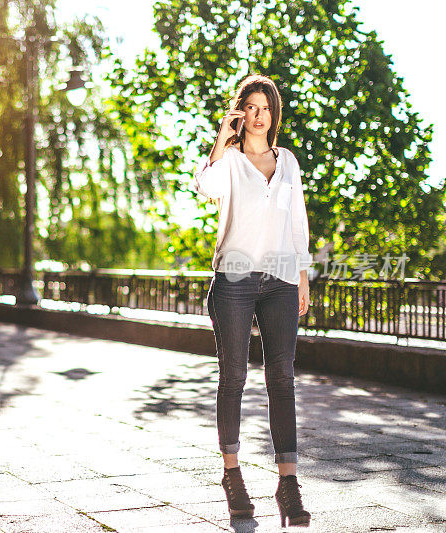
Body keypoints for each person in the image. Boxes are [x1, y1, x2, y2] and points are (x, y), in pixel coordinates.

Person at [192, 74, 312, 527]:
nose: (259, 115)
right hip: (235, 279)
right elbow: (205, 186)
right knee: (235, 376)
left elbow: (297, 222)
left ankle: (288, 484)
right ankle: (232, 474)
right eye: (252, 108)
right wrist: (221, 140)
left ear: (273, 114)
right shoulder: (230, 163)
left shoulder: (288, 163)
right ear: (241, 113)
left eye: (266, 108)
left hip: (280, 279)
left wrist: (302, 275)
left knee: (282, 378)